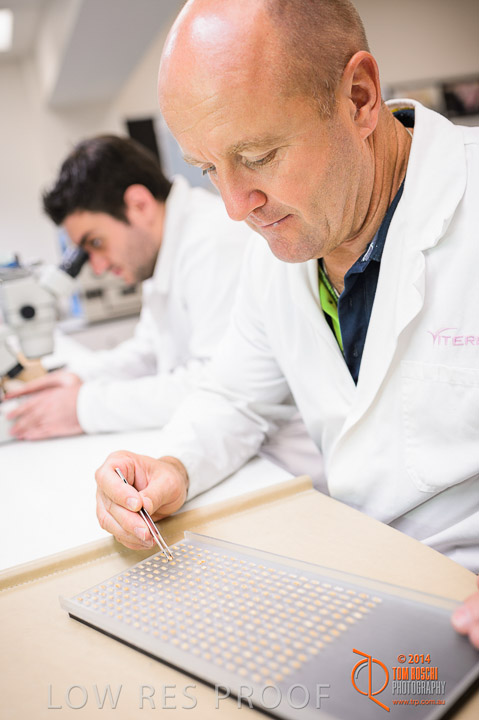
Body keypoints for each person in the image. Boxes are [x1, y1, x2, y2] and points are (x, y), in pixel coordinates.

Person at [94, 0, 479, 648]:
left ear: (359, 98)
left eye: (258, 154)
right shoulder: (279, 250)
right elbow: (235, 398)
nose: (234, 206)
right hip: (379, 589)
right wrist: (171, 465)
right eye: (208, 168)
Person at [6, 134, 252, 439]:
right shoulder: (163, 248)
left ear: (139, 204)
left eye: (96, 242)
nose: (98, 268)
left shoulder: (213, 241)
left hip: (275, 455)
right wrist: (78, 377)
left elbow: (217, 385)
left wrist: (84, 408)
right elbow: (148, 352)